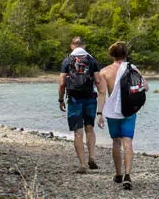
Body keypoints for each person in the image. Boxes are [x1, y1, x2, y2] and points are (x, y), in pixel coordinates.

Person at [58, 36, 105, 174]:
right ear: (83, 46)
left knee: (78, 132)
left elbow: (61, 83)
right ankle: (92, 157)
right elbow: (97, 80)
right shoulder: (91, 60)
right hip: (90, 99)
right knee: (89, 129)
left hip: (74, 100)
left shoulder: (67, 61)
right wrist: (102, 95)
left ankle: (83, 164)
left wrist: (61, 99)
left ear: (72, 46)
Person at [100, 41, 138, 190]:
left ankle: (118, 174)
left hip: (112, 112)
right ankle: (128, 174)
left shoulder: (104, 72)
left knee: (116, 142)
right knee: (127, 142)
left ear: (111, 55)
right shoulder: (132, 68)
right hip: (129, 110)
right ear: (126, 54)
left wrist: (99, 113)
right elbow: (145, 87)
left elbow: (102, 94)